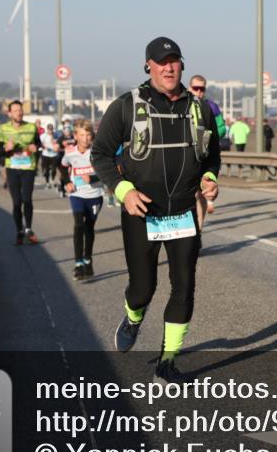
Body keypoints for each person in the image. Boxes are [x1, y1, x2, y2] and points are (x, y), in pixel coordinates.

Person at [91, 36, 221, 384]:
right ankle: (133, 318)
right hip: (141, 212)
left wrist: (209, 178)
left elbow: (212, 156)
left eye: (174, 60)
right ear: (148, 66)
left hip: (182, 213)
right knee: (143, 288)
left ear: (182, 64)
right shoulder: (126, 106)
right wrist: (123, 190)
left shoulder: (200, 109)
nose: (169, 67)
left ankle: (168, 361)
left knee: (184, 286)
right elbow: (100, 154)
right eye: (161, 61)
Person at [60, 119, 103, 280]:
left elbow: (107, 172)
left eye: (88, 134)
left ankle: (88, 260)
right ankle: (78, 264)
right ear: (76, 136)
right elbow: (63, 166)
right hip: (77, 195)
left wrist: (92, 179)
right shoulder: (70, 152)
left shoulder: (97, 152)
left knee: (89, 227)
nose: (85, 138)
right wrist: (67, 182)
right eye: (82, 135)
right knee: (78, 224)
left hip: (95, 196)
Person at [0, 100, 42, 245]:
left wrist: (36, 147)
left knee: (27, 199)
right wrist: (6, 149)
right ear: (9, 113)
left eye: (20, 110)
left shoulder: (31, 127)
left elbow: (38, 145)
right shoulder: (3, 129)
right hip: (12, 168)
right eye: (15, 111)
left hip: (28, 167)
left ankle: (28, 228)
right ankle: (19, 231)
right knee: (17, 202)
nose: (19, 113)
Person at [188, 75, 225, 221]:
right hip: (186, 155)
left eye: (202, 88)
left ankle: (199, 228)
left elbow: (221, 129)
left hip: (205, 154)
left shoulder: (211, 107)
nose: (199, 92)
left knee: (202, 191)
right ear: (189, 88)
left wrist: (209, 136)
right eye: (195, 88)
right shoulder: (182, 104)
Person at [39, 122, 59, 189]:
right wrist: (44, 147)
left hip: (54, 155)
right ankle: (47, 182)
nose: (50, 131)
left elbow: (58, 143)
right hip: (46, 154)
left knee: (54, 169)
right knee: (46, 170)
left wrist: (55, 145)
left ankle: (52, 180)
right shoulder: (43, 136)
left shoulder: (56, 135)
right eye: (49, 129)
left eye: (51, 129)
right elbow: (40, 143)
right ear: (47, 129)